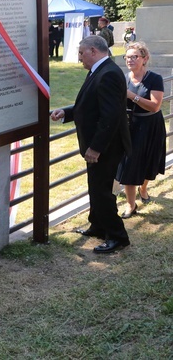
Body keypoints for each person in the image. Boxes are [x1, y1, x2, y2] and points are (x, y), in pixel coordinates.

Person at [50, 35, 131, 253]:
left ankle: (117, 236)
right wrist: (66, 112)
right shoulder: (99, 71)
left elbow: (111, 117)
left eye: (81, 53)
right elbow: (89, 105)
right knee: (95, 188)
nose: (79, 58)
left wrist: (96, 148)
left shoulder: (109, 74)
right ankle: (97, 225)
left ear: (93, 51)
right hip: (97, 145)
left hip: (106, 147)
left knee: (101, 191)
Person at [116, 41, 166, 218]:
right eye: (127, 57)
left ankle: (143, 188)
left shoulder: (154, 79)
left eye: (134, 56)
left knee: (149, 162)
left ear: (144, 59)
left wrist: (133, 96)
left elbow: (155, 106)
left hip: (151, 125)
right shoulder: (122, 78)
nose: (130, 60)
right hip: (130, 127)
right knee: (129, 165)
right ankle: (131, 205)